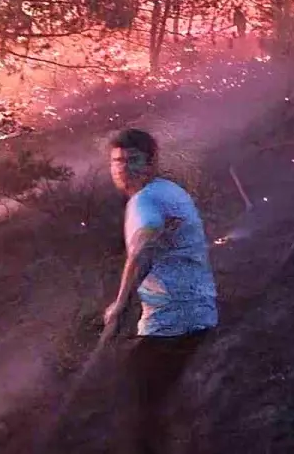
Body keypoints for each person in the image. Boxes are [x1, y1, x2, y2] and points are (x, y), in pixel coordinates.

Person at [103, 128, 218, 454]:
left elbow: (143, 247)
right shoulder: (169, 191)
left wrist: (120, 305)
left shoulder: (145, 201)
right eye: (117, 161)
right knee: (157, 402)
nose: (123, 168)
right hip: (195, 311)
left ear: (151, 162)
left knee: (139, 406)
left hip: (172, 319)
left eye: (132, 160)